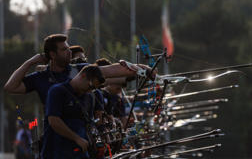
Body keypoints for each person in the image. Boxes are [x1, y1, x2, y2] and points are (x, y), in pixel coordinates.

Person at [4, 34, 154, 106]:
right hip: (55, 138)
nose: (69, 52)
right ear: (52, 54)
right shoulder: (40, 77)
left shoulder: (80, 70)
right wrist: (29, 63)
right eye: (64, 50)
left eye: (69, 49)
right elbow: (11, 87)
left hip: (81, 134)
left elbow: (111, 70)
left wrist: (142, 68)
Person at [41, 64, 105, 159]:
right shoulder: (57, 91)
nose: (90, 91)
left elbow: (88, 123)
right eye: (90, 86)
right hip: (55, 157)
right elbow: (54, 121)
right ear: (83, 76)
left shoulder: (87, 97)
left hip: (80, 156)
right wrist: (77, 138)